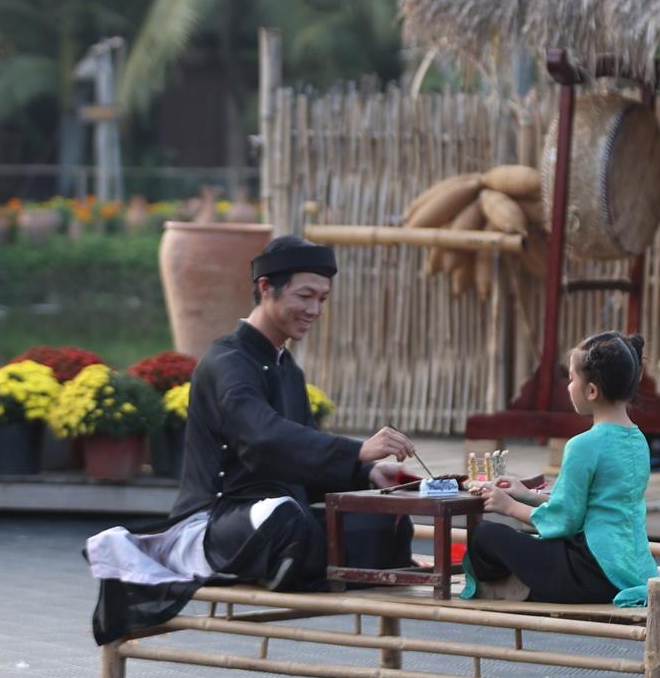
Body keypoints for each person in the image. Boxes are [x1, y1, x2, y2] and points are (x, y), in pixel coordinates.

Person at [87, 235, 416, 643]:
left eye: (323, 299)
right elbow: (262, 438)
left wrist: (365, 474)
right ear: (265, 287)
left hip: (281, 519)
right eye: (305, 296)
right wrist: (357, 450)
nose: (315, 310)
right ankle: (295, 561)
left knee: (387, 522)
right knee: (281, 515)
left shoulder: (288, 370)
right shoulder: (226, 361)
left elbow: (303, 462)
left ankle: (295, 562)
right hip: (220, 521)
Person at [463, 331, 660, 608]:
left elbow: (565, 520)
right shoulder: (638, 440)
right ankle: (524, 583)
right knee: (528, 543)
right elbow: (592, 506)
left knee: (484, 535)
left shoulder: (583, 445)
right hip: (628, 569)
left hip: (588, 571)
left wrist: (508, 507)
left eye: (572, 378)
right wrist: (526, 495)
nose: (568, 386)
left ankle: (519, 585)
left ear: (592, 391)